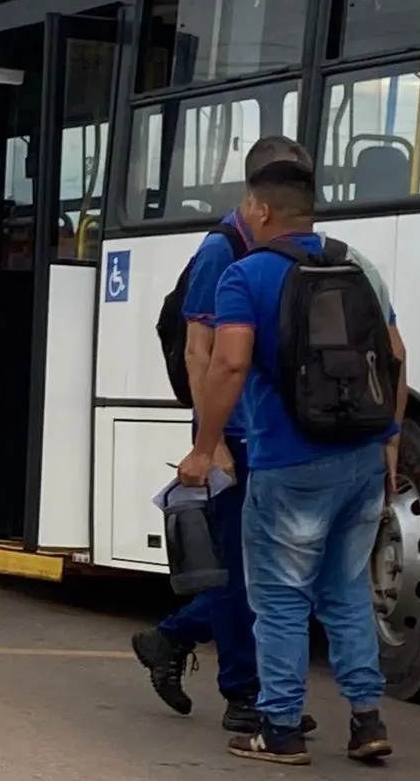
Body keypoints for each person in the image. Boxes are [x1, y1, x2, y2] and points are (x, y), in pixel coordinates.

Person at [178, 156, 407, 766]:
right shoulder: (357, 265)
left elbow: (227, 364)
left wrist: (205, 447)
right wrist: (390, 438)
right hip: (360, 456)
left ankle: (279, 728)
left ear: (259, 209)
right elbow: (396, 356)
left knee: (278, 596)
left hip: (287, 460)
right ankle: (365, 720)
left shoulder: (246, 275)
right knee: (346, 590)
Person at [133, 137, 319, 738]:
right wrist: (208, 443)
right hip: (230, 435)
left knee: (266, 567)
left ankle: (171, 637)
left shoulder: (278, 248)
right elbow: (199, 350)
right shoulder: (223, 250)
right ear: (256, 199)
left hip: (267, 432)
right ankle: (245, 694)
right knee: (242, 570)